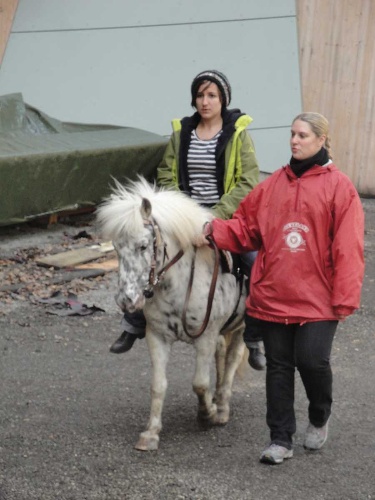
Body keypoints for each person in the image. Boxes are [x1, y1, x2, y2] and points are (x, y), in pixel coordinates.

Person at [194, 112, 365, 464]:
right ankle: (280, 439)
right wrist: (214, 230)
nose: (294, 140)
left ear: (321, 140)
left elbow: (348, 247)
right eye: (292, 134)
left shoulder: (339, 187)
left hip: (319, 298)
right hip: (273, 295)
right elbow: (245, 229)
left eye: (302, 135)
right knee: (279, 367)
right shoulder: (272, 186)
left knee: (313, 361)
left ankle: (319, 415)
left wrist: (345, 297)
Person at [110, 69, 266, 370]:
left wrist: (214, 216)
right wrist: (180, 210)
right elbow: (167, 174)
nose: (205, 102)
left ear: (223, 99)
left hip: (224, 215)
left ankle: (255, 336)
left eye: (212, 96)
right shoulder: (181, 133)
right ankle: (133, 322)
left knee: (256, 262)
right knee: (143, 251)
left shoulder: (239, 135)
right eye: (200, 95)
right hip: (182, 215)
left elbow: (248, 182)